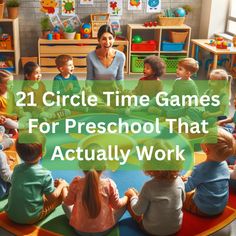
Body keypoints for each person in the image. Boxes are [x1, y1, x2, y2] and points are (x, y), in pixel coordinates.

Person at [62, 143, 128, 236]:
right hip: (102, 230)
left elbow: (67, 202)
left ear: (81, 165)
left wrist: (64, 187)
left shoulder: (76, 183)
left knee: (64, 204)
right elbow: (117, 205)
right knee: (125, 205)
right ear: (104, 166)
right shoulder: (109, 184)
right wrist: (127, 197)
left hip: (80, 230)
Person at [5, 131, 68, 224]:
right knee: (60, 195)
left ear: (18, 153)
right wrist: (62, 185)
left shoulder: (17, 168)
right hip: (30, 217)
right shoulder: (44, 174)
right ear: (42, 154)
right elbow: (52, 198)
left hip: (10, 213)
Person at [125, 139, 185, 236]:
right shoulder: (180, 181)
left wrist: (132, 196)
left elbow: (138, 211)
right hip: (176, 227)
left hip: (153, 231)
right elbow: (183, 200)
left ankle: (133, 197)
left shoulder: (148, 187)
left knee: (129, 200)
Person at [183, 127, 235, 216]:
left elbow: (186, 188)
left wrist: (178, 181)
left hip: (203, 209)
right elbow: (209, 178)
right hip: (221, 206)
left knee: (179, 196)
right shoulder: (224, 165)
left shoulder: (200, 169)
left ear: (206, 150)